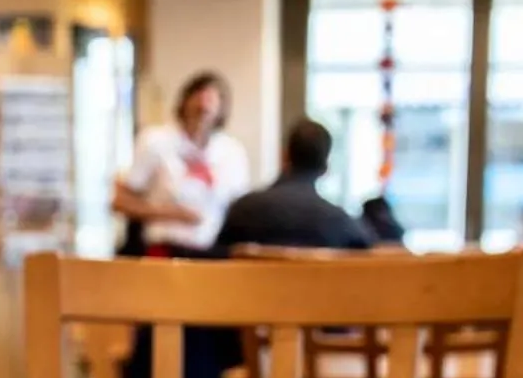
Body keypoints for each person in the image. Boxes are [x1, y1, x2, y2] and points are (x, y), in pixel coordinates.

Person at [113, 72, 251, 256]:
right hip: (165, 248)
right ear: (185, 102)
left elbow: (239, 206)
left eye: (210, 105)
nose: (203, 110)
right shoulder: (156, 141)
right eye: (198, 103)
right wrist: (171, 213)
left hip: (214, 251)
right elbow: (120, 200)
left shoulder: (232, 151)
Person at [212, 120, 372, 252]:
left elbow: (215, 262)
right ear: (325, 168)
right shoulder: (340, 223)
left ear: (284, 155)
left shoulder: (243, 210)